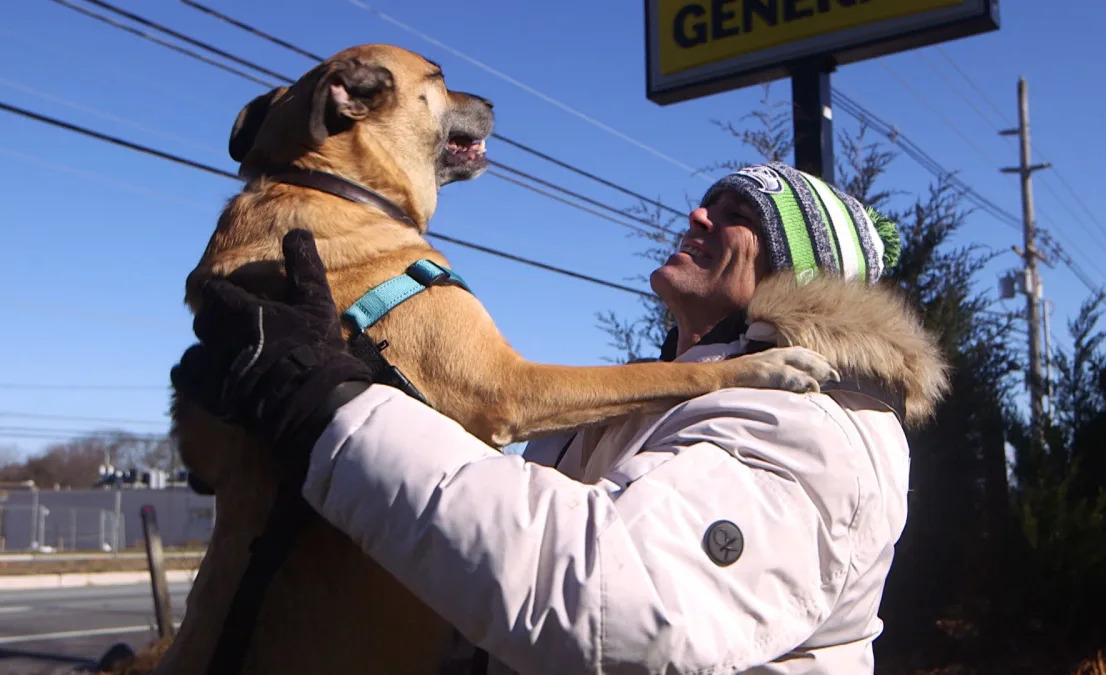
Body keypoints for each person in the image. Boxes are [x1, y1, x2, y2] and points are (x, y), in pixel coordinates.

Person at [171, 162, 949, 674]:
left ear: (798, 273)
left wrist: (331, 412)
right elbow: (496, 556)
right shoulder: (655, 408)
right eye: (708, 198)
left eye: (738, 211)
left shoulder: (817, 422)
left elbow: (614, 604)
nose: (699, 214)